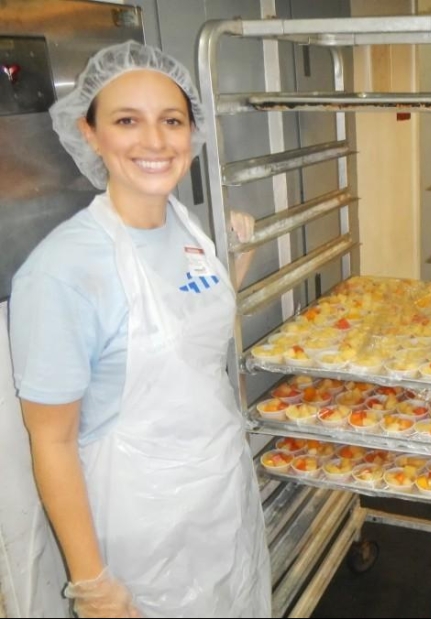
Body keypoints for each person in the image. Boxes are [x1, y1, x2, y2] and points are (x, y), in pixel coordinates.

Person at [9, 41, 270, 618]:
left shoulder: (186, 224)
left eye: (171, 121)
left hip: (219, 493)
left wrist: (238, 264)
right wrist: (93, 582)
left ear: (191, 134)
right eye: (127, 120)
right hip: (142, 531)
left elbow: (188, 335)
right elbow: (51, 441)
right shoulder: (63, 272)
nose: (154, 142)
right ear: (91, 133)